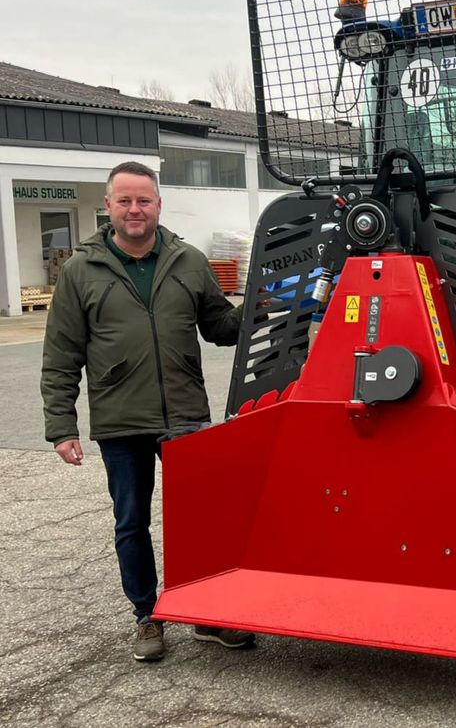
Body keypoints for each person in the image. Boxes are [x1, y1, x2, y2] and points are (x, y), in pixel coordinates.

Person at [41, 161, 256, 662]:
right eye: (125, 201)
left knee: (201, 521)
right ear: (108, 206)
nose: (135, 210)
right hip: (120, 422)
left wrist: (259, 300)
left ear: (158, 204)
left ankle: (207, 614)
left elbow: (221, 328)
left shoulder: (189, 260)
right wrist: (61, 426)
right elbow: (61, 356)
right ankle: (147, 616)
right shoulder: (80, 270)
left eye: (144, 200)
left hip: (184, 416)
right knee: (131, 523)